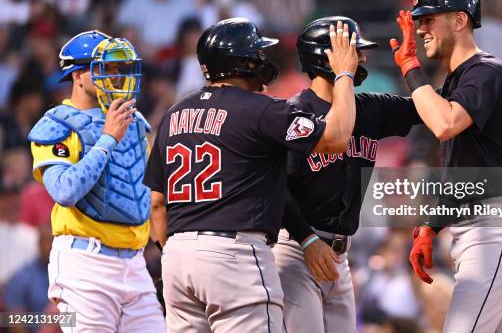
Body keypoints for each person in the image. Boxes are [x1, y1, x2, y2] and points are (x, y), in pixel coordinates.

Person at [144, 17, 359, 332]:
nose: (264, 60)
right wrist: (344, 74)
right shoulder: (260, 109)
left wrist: (172, 256)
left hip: (177, 256)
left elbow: (157, 204)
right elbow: (336, 138)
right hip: (234, 254)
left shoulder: (174, 114)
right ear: (244, 62)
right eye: (258, 53)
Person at [391, 0, 502, 333]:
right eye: (419, 19)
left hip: (495, 230)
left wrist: (411, 68)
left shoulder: (485, 70)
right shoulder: (459, 80)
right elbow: (463, 170)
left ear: (459, 21)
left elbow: (446, 123)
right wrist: (433, 223)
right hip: (486, 229)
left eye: (429, 18)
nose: (420, 27)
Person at [273, 16, 420, 332]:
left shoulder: (369, 108)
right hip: (297, 249)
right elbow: (275, 188)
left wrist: (414, 67)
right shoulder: (294, 113)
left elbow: (429, 108)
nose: (362, 59)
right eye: (355, 52)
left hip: (340, 256)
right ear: (328, 57)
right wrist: (307, 238)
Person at [28, 30, 165, 332]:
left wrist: (166, 251)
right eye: (105, 67)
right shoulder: (56, 125)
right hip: (85, 262)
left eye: (118, 68)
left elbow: (145, 195)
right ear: (78, 75)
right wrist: (106, 140)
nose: (115, 76)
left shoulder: (133, 123)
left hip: (135, 264)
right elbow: (64, 191)